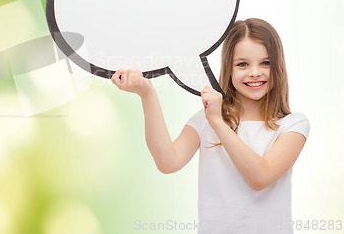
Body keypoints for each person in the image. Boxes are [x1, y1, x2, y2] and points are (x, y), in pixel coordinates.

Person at [111, 18, 309, 234]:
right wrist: (147, 94)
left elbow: (260, 178)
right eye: (242, 64)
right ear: (228, 68)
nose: (254, 72)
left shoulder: (293, 125)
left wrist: (218, 121)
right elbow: (167, 162)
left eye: (265, 63)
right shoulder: (204, 120)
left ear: (278, 67)